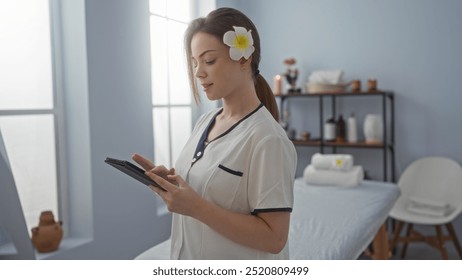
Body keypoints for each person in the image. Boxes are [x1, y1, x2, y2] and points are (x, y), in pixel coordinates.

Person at [133, 7, 297, 260]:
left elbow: (274, 238)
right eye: (195, 63)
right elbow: (211, 185)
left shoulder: (267, 139)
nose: (199, 72)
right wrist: (173, 182)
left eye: (209, 61)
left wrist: (196, 208)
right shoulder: (205, 121)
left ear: (244, 59)